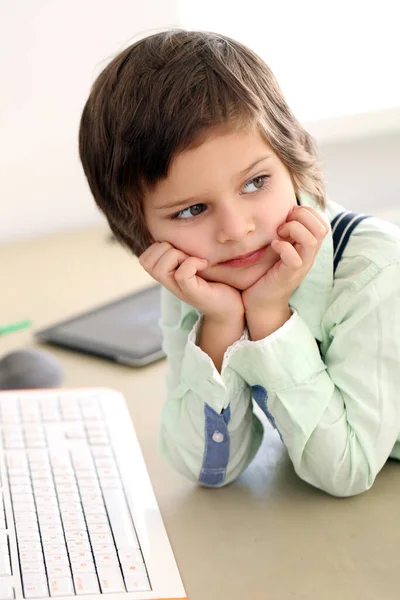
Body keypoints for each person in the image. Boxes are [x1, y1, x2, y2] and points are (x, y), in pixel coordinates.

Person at [78, 29, 400, 497]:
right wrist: (222, 324)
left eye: (255, 183)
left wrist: (270, 318)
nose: (235, 228)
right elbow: (209, 469)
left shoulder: (374, 270)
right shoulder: (202, 279)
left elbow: (346, 471)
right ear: (145, 235)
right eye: (192, 210)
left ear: (290, 160)